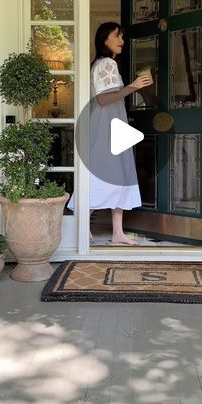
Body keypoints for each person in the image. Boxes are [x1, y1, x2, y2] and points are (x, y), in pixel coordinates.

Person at [68, 21, 152, 246]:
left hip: (111, 125)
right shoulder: (106, 64)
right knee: (107, 174)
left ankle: (117, 232)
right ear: (104, 39)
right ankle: (85, 227)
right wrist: (134, 86)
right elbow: (103, 99)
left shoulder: (103, 63)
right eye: (117, 36)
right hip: (107, 127)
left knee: (118, 175)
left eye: (122, 36)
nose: (121, 41)